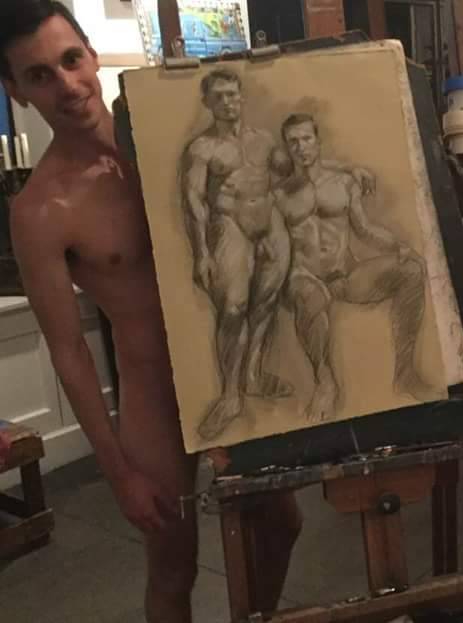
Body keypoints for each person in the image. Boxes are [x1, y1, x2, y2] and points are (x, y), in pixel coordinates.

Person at [0, 1, 300, 618]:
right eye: (39, 76)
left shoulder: (170, 139)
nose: (66, 85)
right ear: (16, 92)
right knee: (172, 566)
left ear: (92, 55)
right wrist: (119, 474)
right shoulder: (41, 210)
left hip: (233, 363)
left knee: (281, 524)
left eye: (71, 60)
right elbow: (69, 351)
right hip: (154, 395)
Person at [182, 69, 375, 440]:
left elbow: (306, 166)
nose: (227, 102)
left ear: (242, 97)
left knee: (265, 303)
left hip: (269, 224)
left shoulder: (264, 141)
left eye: (232, 94)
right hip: (230, 224)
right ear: (207, 102)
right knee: (234, 307)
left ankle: (253, 375)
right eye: (219, 96)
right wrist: (201, 252)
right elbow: (193, 201)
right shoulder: (202, 149)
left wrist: (349, 168)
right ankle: (230, 395)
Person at [274, 113, 438, 422]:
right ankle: (325, 381)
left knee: (411, 271)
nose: (301, 147)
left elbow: (364, 228)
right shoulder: (280, 195)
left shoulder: (344, 183)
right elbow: (275, 248)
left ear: (318, 141)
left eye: (306, 138)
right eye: (293, 141)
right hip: (302, 278)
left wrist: (398, 247)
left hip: (344, 274)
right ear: (286, 147)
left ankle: (406, 373)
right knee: (311, 294)